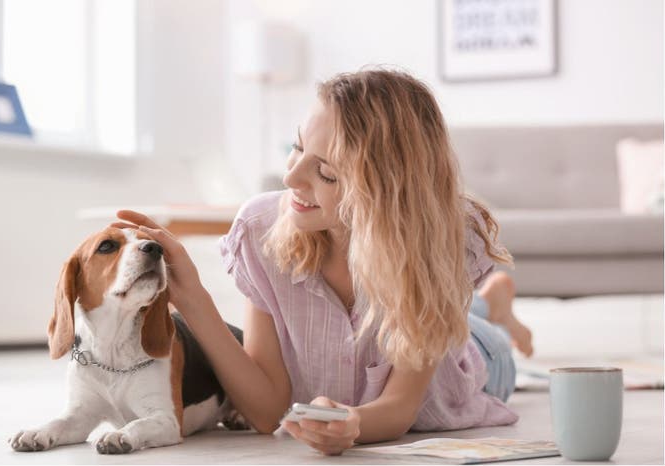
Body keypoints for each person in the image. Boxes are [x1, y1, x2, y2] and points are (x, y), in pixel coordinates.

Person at [115, 68, 534, 456]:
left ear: (387, 192)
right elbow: (265, 412)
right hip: (427, 325)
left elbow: (400, 407)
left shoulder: (442, 236)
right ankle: (486, 304)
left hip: (468, 363)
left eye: (327, 174)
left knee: (482, 340)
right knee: (463, 315)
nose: (291, 178)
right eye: (297, 147)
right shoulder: (263, 229)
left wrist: (354, 424)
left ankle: (493, 312)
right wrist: (192, 298)